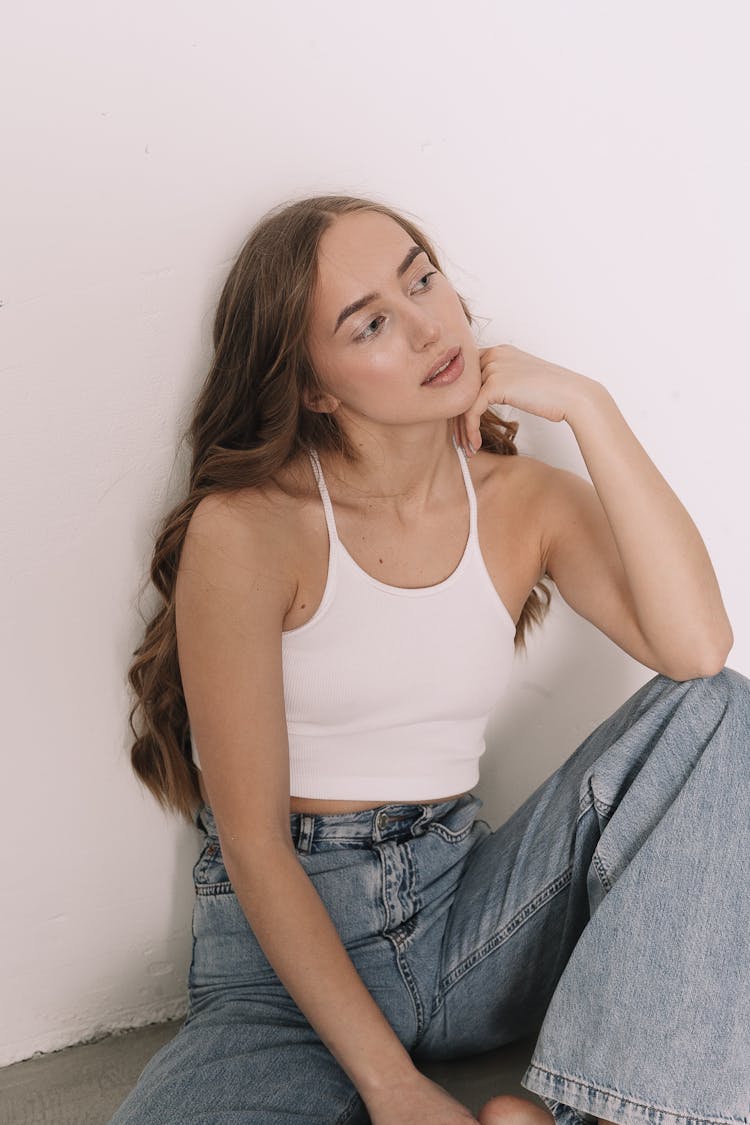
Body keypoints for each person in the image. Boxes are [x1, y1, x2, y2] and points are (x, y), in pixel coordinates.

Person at [110, 194, 749, 1125]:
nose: (427, 326)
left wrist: (587, 405)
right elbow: (251, 843)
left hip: (464, 922)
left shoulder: (521, 498)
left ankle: (607, 1112)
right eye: (371, 322)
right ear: (314, 387)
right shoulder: (248, 531)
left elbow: (698, 650)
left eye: (421, 278)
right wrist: (395, 1088)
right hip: (282, 978)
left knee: (721, 710)